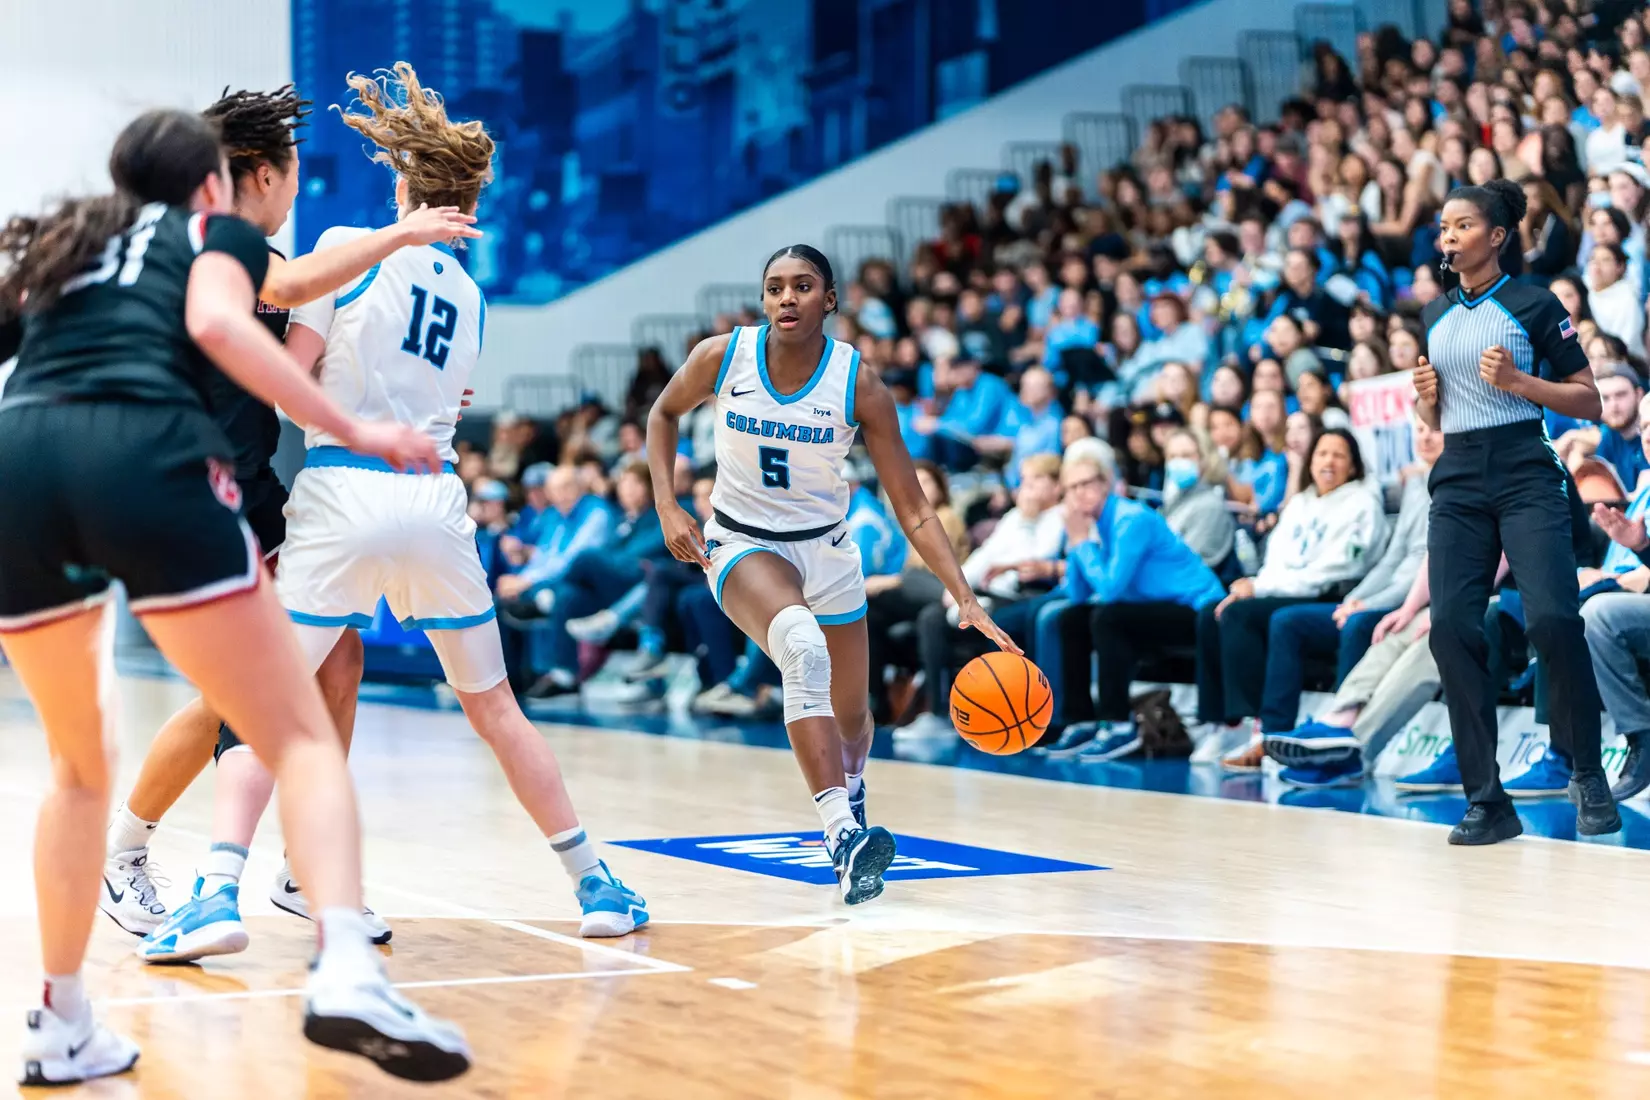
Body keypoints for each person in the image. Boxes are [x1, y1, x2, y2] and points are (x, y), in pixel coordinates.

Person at [137, 64, 648, 967]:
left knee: (264, 703)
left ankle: (218, 887)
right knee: (494, 706)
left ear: (405, 186)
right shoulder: (472, 295)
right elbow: (447, 404)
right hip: (437, 501)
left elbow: (296, 384)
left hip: (344, 488)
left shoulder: (346, 244)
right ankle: (593, 883)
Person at [0, 109, 466, 1083]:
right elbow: (231, 314)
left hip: (21, 459)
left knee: (76, 769)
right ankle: (343, 964)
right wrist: (359, 426)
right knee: (295, 729)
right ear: (216, 181)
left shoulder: (65, 241)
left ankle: (61, 1017)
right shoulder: (213, 231)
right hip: (144, 452)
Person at [99, 85, 481, 941]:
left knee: (337, 660)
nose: (303, 185)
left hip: (256, 486)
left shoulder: (250, 256)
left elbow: (309, 322)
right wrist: (401, 233)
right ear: (263, 173)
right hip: (193, 489)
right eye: (298, 169)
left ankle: (306, 869)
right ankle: (126, 853)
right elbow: (305, 282)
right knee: (238, 688)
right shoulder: (214, 245)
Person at [646, 244, 1018, 905]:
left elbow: (913, 505)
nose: (787, 297)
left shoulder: (859, 384)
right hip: (741, 544)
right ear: (764, 301)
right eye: (775, 287)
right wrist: (668, 503)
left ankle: (853, 788)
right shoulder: (721, 356)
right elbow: (663, 414)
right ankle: (841, 834)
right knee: (800, 646)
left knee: (853, 718)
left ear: (829, 300)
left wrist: (964, 595)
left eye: (803, 285)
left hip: (828, 551)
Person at [1417, 178, 1616, 845]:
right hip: (1459, 476)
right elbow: (1444, 413)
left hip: (1526, 470)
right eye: (1444, 227)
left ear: (1497, 237)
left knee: (1556, 618)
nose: (1449, 237)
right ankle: (1487, 799)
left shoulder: (1535, 305)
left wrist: (1522, 383)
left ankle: (1585, 769)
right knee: (1448, 627)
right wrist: (1424, 402)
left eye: (1463, 226)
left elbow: (1588, 399)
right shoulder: (1435, 315)